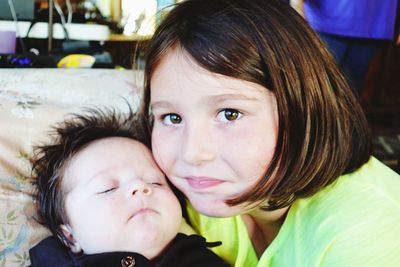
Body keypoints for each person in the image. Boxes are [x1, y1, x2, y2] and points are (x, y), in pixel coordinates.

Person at [136, 0, 400, 266]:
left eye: (230, 114)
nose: (192, 153)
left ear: (303, 108)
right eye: (172, 118)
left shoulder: (368, 237)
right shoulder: (189, 192)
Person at [29, 107, 229, 267]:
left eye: (155, 182)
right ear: (69, 236)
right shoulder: (52, 261)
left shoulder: (201, 258)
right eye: (107, 188)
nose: (140, 187)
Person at [290, 0, 399, 95]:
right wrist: (297, 8)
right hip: (326, 20)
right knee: (317, 85)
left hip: (373, 22)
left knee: (352, 91)